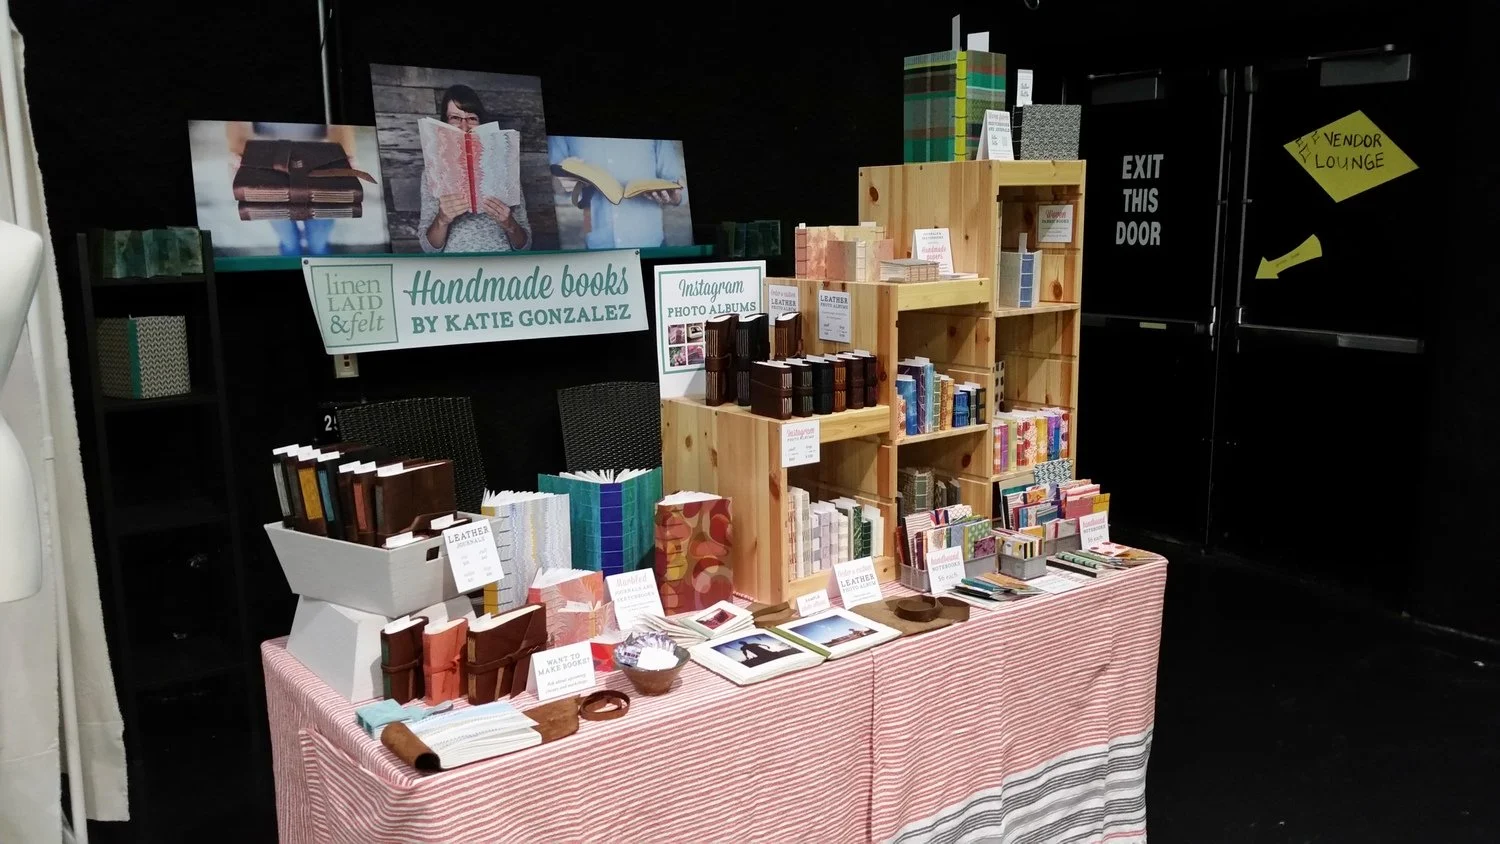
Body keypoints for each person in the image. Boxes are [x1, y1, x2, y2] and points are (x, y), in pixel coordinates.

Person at [420, 85, 531, 253]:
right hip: (457, 267)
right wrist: (442, 220)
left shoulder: (505, 166)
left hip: (502, 264)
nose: (464, 127)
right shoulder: (433, 170)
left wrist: (510, 224)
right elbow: (429, 249)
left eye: (472, 118)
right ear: (444, 123)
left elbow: (525, 246)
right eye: (455, 118)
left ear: (481, 123)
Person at [226, 122, 357, 255]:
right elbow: (238, 125)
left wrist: (344, 156)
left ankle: (313, 256)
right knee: (288, 238)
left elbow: (339, 126)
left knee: (318, 238)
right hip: (268, 172)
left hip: (321, 168)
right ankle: (297, 256)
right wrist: (240, 155)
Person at [548, 137, 684, 249]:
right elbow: (553, 182)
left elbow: (679, 185)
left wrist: (675, 196)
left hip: (652, 244)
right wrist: (558, 183)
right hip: (596, 245)